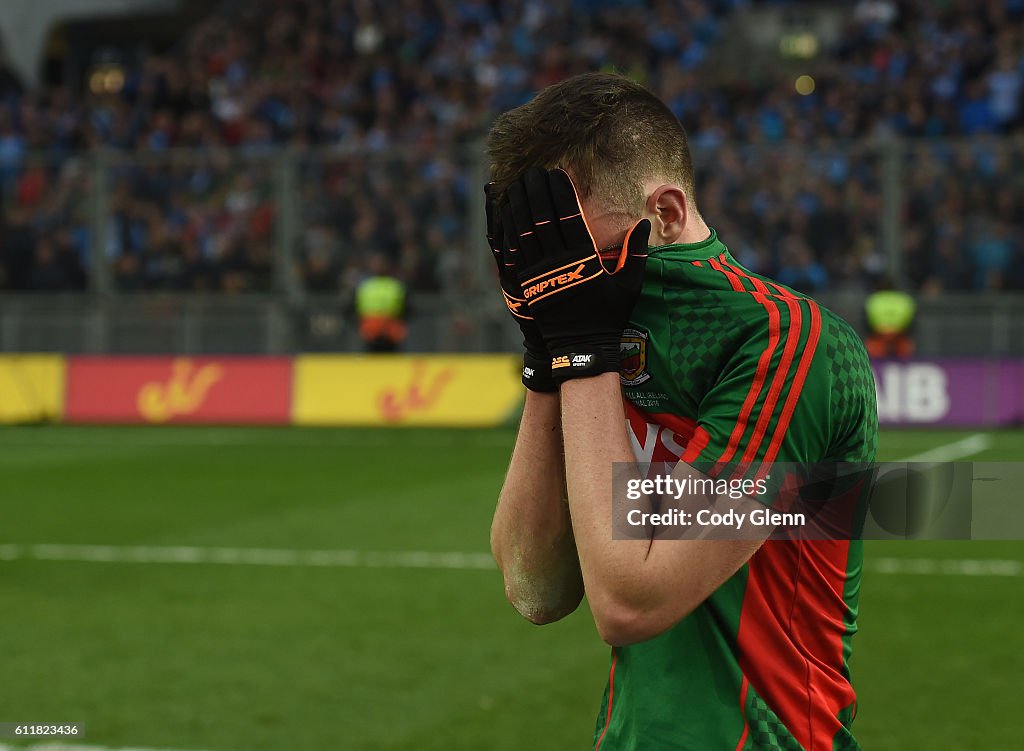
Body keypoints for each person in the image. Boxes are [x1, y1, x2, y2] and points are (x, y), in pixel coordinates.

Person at [486, 72, 877, 751]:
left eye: (575, 244)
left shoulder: (791, 343)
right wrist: (545, 353)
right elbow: (535, 587)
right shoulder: (598, 327)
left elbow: (632, 601)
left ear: (664, 212)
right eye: (541, 246)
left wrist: (580, 350)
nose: (558, 271)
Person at [353, 253, 408, 353]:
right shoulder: (364, 286)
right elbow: (352, 307)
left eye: (381, 264)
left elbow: (407, 307)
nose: (379, 266)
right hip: (370, 331)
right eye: (376, 263)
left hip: (391, 332)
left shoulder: (395, 285)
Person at [864, 276, 916, 359]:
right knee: (906, 349)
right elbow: (912, 322)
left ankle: (875, 367)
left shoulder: (873, 299)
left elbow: (866, 322)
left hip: (879, 335)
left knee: (872, 351)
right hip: (900, 335)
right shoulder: (905, 299)